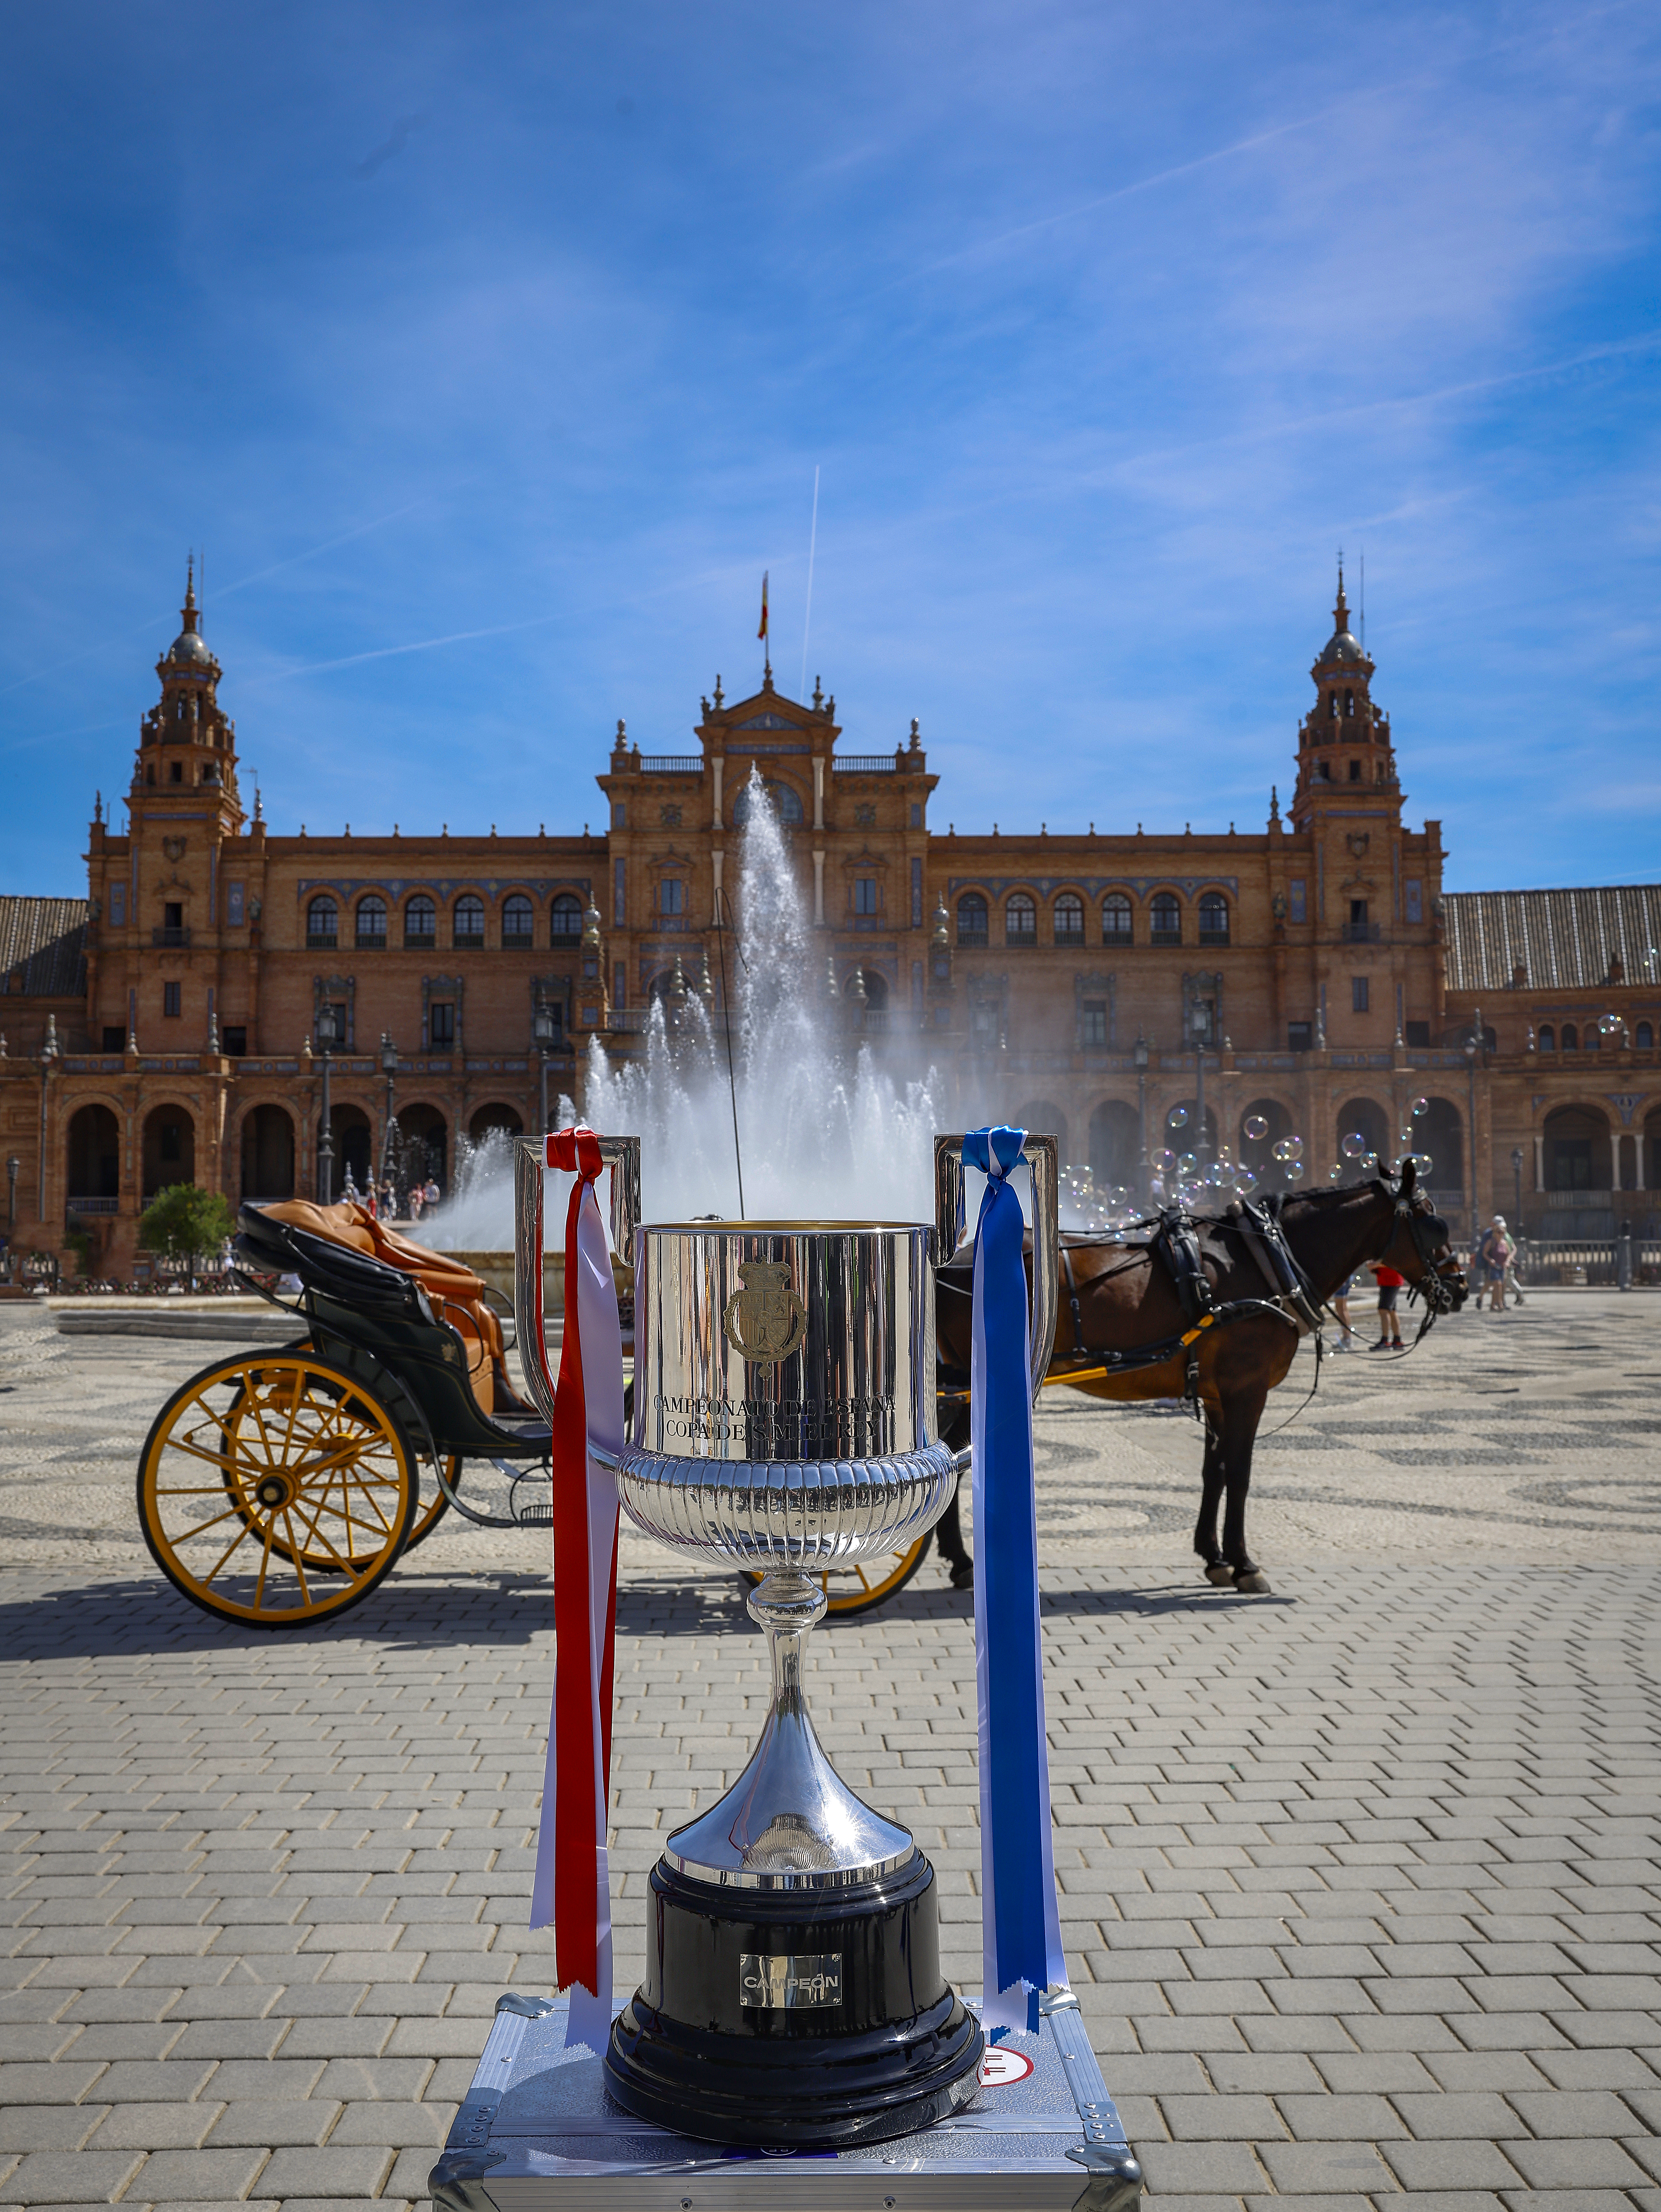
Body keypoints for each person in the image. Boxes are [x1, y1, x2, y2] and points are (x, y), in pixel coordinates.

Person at [1370, 1258, 1405, 1349]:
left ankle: (1385, 1340)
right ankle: (1397, 1340)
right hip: (1387, 1280)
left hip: (1391, 1280)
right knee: (1392, 1311)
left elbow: (1393, 1262)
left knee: (1384, 1310)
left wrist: (1375, 1265)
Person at [1330, 1271, 1358, 1352]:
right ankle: (1347, 1337)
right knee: (1343, 1308)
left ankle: (1347, 1338)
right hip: (1345, 1277)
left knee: (1341, 1308)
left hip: (1341, 1277)